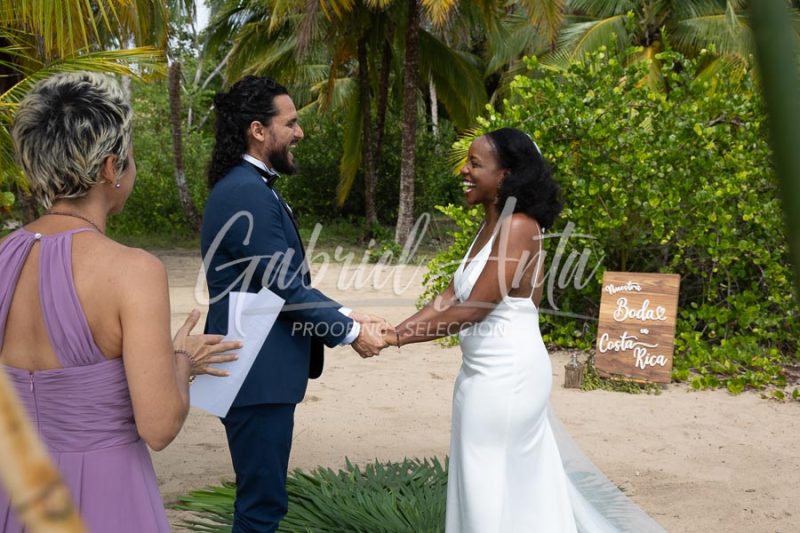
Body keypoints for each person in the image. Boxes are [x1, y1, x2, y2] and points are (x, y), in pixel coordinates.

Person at [385, 128, 665, 532]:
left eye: (475, 164)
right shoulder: (488, 229)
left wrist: (394, 339)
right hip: (480, 375)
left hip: (507, 378)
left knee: (493, 484)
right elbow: (446, 300)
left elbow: (474, 310)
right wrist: (394, 332)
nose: (463, 170)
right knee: (495, 481)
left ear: (506, 175)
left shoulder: (519, 227)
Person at [0, 72, 241, 532]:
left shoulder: (3, 256)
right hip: (104, 495)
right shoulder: (132, 270)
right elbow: (159, 426)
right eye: (130, 160)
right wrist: (181, 362)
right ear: (111, 168)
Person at [201, 75, 389, 533]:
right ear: (258, 130)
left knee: (263, 502)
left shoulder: (250, 185)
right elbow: (282, 285)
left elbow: (280, 280)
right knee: (261, 508)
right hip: (253, 371)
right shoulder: (246, 190)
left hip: (259, 371)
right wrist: (350, 333)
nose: (300, 132)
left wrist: (348, 314)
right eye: (292, 122)